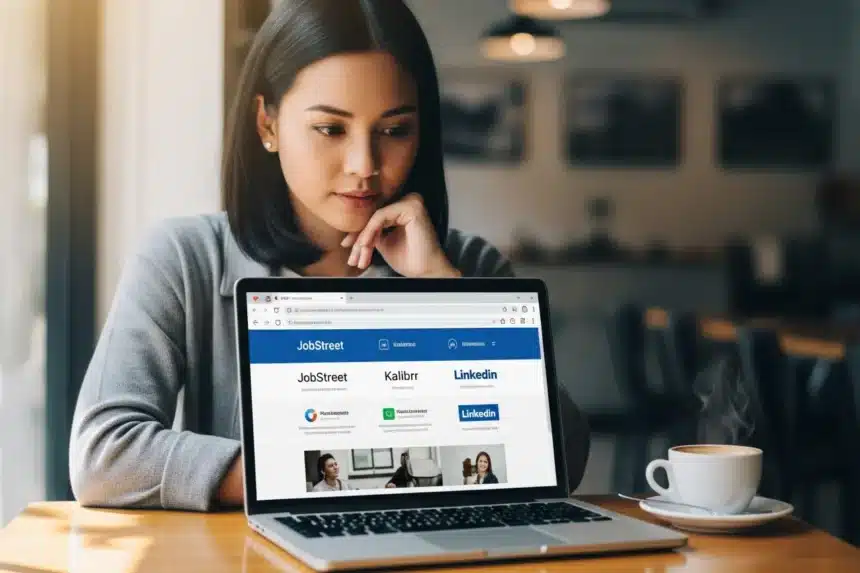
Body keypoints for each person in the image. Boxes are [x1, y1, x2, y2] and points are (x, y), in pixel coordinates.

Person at [68, 0, 590, 512]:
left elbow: (564, 459)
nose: (364, 165)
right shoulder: (184, 259)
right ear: (267, 124)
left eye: (394, 130)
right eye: (330, 129)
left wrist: (442, 290)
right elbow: (104, 453)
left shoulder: (469, 267)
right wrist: (312, 472)